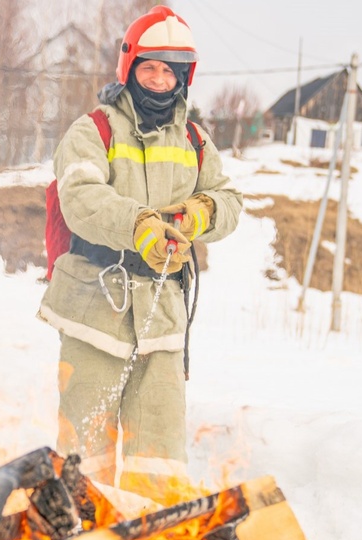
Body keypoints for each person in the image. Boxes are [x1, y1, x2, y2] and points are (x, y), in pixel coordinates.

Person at [38, 6, 242, 494]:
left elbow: (230, 201)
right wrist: (140, 227)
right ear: (129, 68)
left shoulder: (195, 138)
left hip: (164, 319)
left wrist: (201, 213)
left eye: (169, 69)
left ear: (183, 76)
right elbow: (80, 198)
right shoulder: (94, 130)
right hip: (97, 309)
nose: (158, 78)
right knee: (83, 459)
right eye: (148, 66)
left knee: (162, 462)